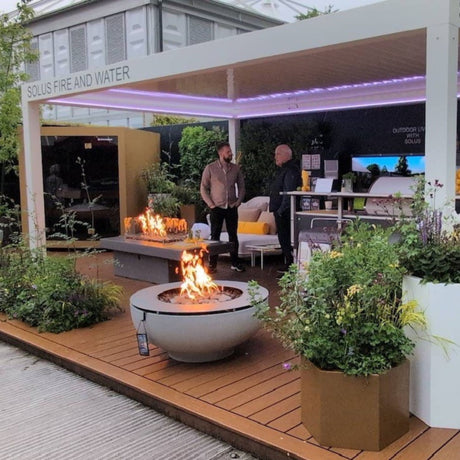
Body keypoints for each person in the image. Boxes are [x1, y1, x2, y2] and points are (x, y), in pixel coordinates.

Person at [200, 142, 246, 273]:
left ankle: (235, 263)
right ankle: (212, 264)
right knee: (215, 236)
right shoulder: (210, 168)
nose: (231, 154)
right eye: (228, 152)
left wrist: (239, 201)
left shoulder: (235, 169)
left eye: (230, 151)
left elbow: (242, 186)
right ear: (220, 153)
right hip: (217, 207)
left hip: (231, 206)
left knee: (233, 235)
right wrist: (211, 204)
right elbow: (203, 188)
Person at [269, 144, 302, 274]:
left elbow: (288, 192)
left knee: (286, 238)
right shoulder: (284, 170)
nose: (275, 157)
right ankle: (288, 263)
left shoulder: (291, 170)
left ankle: (290, 264)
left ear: (286, 155)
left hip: (285, 213)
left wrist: (281, 210)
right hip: (281, 210)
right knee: (283, 238)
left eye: (278, 154)